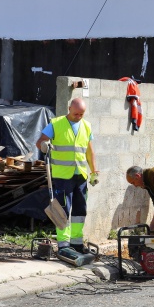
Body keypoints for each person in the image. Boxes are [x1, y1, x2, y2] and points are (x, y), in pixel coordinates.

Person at [36, 98, 99, 255]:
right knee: (63, 209)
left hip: (81, 175)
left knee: (80, 209)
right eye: (76, 113)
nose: (78, 116)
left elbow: (90, 152)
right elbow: (41, 141)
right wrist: (44, 145)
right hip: (62, 176)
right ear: (69, 108)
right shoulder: (56, 124)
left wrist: (94, 171)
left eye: (81, 114)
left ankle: (76, 243)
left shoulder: (86, 126)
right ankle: (63, 244)